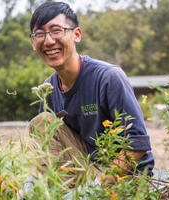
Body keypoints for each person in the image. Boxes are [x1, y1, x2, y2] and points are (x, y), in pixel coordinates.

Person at [28, 1, 154, 188]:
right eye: (40, 34)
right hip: (85, 168)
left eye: (56, 31)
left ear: (76, 35)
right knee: (41, 123)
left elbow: (137, 145)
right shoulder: (48, 89)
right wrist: (30, 185)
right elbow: (48, 153)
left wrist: (93, 189)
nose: (48, 41)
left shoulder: (108, 77)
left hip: (124, 175)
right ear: (33, 42)